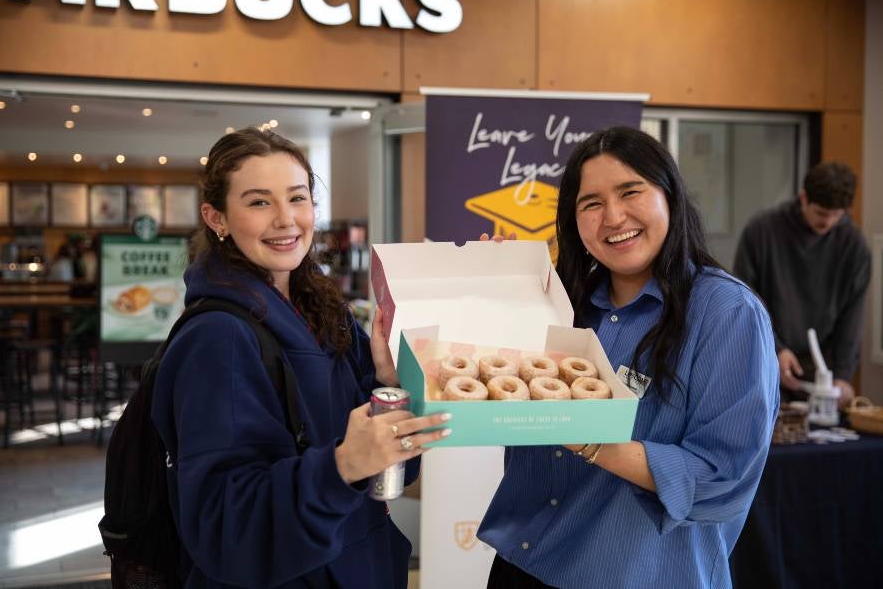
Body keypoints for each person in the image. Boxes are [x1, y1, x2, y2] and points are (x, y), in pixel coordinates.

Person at [477, 126, 779, 588]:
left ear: (669, 196)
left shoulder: (726, 314)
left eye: (630, 191)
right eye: (591, 203)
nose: (613, 216)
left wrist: (593, 441)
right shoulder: (565, 304)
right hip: (525, 562)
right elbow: (496, 401)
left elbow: (723, 477)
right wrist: (496, 297)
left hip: (635, 573)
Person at [151, 128, 450, 588]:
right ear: (217, 218)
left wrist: (389, 388)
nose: (286, 219)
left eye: (297, 198)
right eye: (258, 202)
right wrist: (343, 464)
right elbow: (228, 528)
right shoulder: (218, 340)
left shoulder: (325, 311)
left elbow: (390, 477)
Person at [734, 162, 870, 405]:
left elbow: (852, 318)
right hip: (765, 359)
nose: (827, 222)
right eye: (820, 213)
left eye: (837, 215)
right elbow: (744, 301)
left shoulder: (855, 247)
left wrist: (843, 376)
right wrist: (775, 350)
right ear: (804, 197)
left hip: (821, 370)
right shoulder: (762, 232)